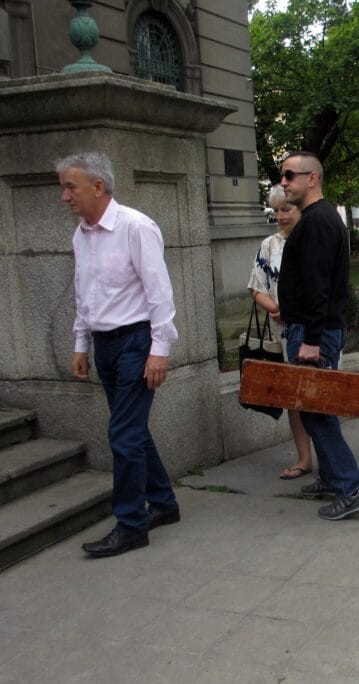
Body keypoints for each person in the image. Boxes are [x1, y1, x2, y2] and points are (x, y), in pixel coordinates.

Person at [58, 152, 180, 558]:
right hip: (106, 344)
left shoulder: (135, 227)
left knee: (123, 437)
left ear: (98, 186)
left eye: (70, 187)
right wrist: (81, 344)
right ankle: (163, 502)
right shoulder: (82, 234)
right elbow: (84, 294)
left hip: (136, 343)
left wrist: (159, 351)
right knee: (132, 432)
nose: (64, 196)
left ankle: (131, 524)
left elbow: (159, 293)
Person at [277, 151, 359, 520]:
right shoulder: (319, 218)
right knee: (313, 408)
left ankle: (351, 489)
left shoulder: (317, 221)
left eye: (290, 175)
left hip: (313, 332)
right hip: (313, 329)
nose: (284, 181)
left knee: (317, 413)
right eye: (283, 175)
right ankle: (333, 478)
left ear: (312, 178)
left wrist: (311, 340)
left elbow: (318, 287)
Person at [247, 185, 314, 480]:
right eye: (277, 210)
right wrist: (273, 306)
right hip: (280, 333)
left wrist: (293, 308)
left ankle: (327, 458)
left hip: (311, 332)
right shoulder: (269, 245)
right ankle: (303, 458)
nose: (281, 216)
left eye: (286, 209)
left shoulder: (313, 241)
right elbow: (256, 287)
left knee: (315, 395)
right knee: (293, 399)